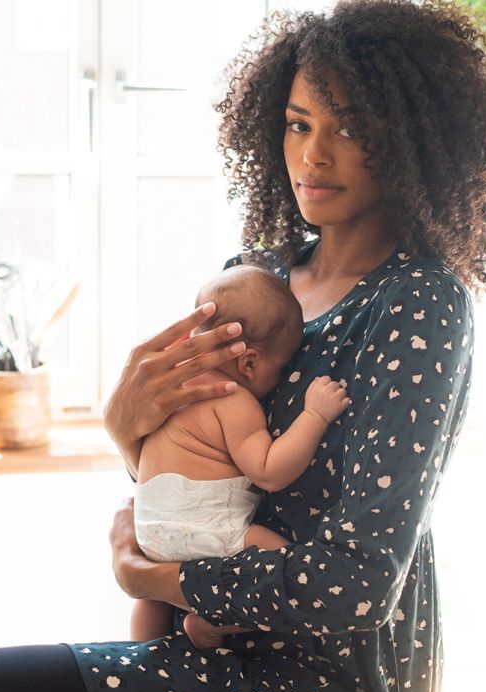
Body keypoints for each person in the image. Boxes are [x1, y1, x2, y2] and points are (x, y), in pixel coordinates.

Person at [0, 1, 486, 692]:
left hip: (327, 688)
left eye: (349, 128)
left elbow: (360, 582)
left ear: (412, 141)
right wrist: (123, 432)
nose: (313, 156)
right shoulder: (254, 278)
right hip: (209, 646)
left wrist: (161, 581)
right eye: (297, 123)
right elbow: (194, 463)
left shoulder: (419, 304)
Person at [131, 264, 349, 645]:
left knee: (152, 598)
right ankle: (213, 623)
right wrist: (314, 415)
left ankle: (139, 655)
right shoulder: (231, 398)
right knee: (287, 573)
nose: (281, 380)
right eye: (281, 370)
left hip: (149, 531)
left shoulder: (174, 383)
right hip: (203, 529)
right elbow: (268, 471)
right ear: (249, 362)